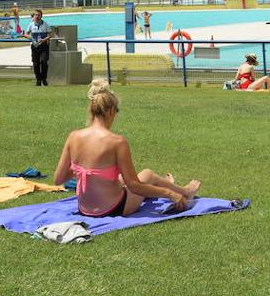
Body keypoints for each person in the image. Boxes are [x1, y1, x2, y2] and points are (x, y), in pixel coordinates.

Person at [53, 79, 199, 217]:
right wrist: (169, 193)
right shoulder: (117, 142)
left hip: (84, 209)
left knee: (121, 178)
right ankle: (184, 191)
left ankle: (170, 186)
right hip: (112, 208)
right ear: (111, 111)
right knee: (147, 175)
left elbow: (58, 179)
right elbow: (135, 186)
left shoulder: (74, 136)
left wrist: (83, 168)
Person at [25, 9, 51, 87]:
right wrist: (31, 38)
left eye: (38, 15)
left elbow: (50, 35)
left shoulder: (46, 24)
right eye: (36, 15)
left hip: (44, 46)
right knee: (36, 63)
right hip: (35, 46)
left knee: (44, 62)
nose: (37, 16)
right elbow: (26, 34)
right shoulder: (31, 25)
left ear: (41, 16)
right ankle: (38, 80)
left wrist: (44, 40)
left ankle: (44, 78)